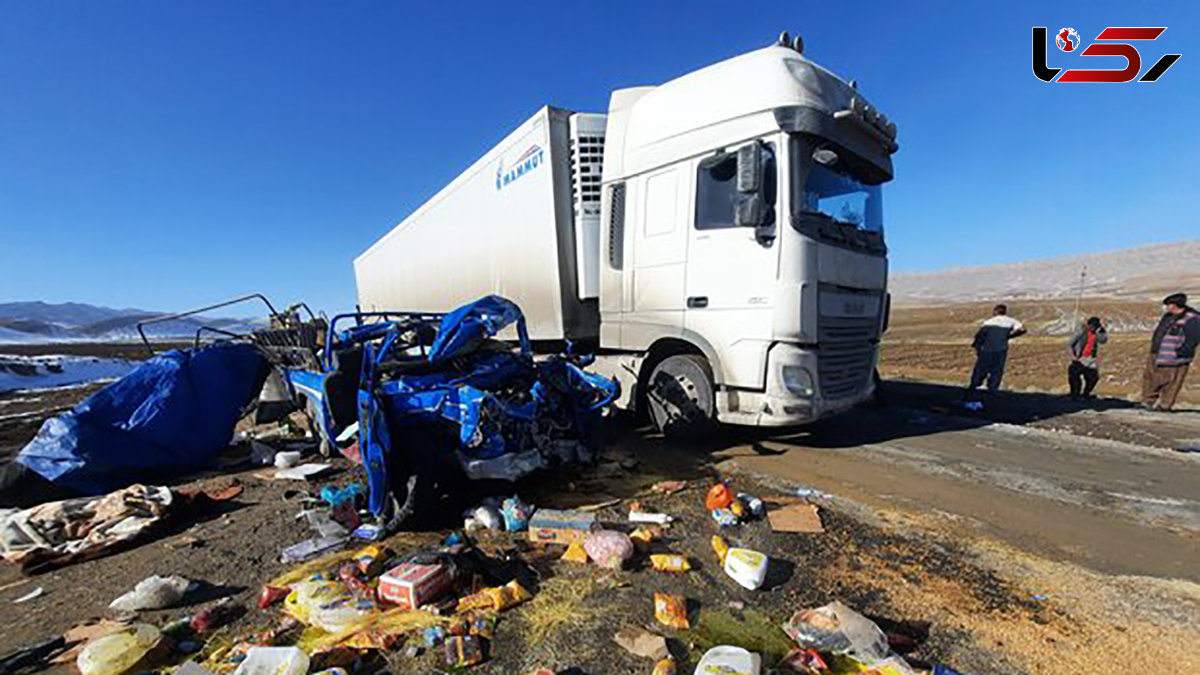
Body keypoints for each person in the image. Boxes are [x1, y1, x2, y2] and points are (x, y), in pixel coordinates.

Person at [1141, 292, 1200, 411]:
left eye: (1168, 305)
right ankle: (1147, 401)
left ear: (1174, 305)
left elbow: (1193, 338)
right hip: (1158, 352)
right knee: (1150, 377)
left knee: (1172, 381)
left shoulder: (1193, 318)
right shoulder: (1168, 316)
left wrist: (1181, 352)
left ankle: (1165, 405)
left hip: (1176, 356)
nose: (1166, 308)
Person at [964, 304, 1026, 409]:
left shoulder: (989, 322)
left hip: (987, 349)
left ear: (996, 311)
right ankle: (992, 390)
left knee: (981, 369)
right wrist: (1008, 336)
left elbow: (980, 336)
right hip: (1001, 349)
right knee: (997, 370)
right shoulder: (1010, 321)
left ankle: (974, 387)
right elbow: (1023, 329)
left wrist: (977, 347)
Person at [1067, 316, 1107, 398]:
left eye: (1095, 326)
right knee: (1074, 375)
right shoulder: (1081, 331)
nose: (1093, 328)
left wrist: (1101, 332)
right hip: (1080, 357)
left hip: (1091, 359)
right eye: (1092, 326)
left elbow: (1103, 341)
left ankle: (1086, 394)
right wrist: (1073, 356)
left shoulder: (1097, 332)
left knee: (1093, 378)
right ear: (1088, 325)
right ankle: (1075, 394)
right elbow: (1070, 344)